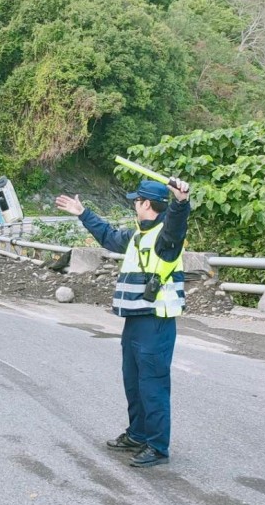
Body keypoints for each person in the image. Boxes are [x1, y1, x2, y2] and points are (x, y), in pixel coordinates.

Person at [55, 177, 191, 468]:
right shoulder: (138, 236)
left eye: (136, 201)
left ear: (146, 204)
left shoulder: (166, 238)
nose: (134, 205)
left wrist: (181, 201)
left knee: (152, 385)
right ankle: (138, 433)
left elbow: (176, 225)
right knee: (133, 381)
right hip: (135, 321)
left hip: (156, 322)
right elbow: (107, 235)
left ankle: (156, 446)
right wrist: (83, 213)